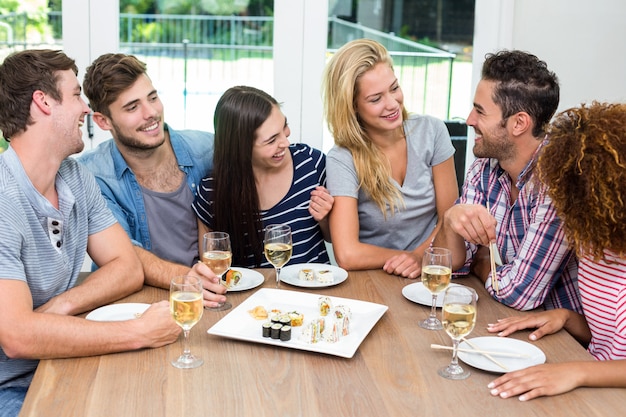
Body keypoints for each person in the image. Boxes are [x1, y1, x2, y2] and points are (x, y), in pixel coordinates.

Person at [0, 49, 181, 417]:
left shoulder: (75, 177)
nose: (86, 108)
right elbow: (18, 336)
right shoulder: (4, 200)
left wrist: (59, 308)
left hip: (62, 359)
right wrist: (138, 332)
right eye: (76, 94)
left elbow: (126, 267)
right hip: (12, 387)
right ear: (43, 102)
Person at [486, 101, 626, 400]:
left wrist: (578, 372)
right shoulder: (593, 244)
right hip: (591, 390)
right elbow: (612, 340)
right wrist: (567, 317)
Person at [432, 50, 581, 312]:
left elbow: (519, 293)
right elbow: (451, 266)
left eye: (480, 112)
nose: (469, 120)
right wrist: (450, 219)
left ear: (519, 123)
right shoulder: (484, 169)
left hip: (566, 339)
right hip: (505, 319)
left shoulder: (560, 181)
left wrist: (483, 263)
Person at [77, 53, 226, 307]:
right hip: (132, 304)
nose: (152, 113)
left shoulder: (208, 149)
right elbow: (121, 253)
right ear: (103, 121)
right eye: (132, 107)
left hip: (211, 295)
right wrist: (184, 279)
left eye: (153, 98)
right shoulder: (91, 175)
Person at [322, 38, 458, 279]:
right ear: (352, 107)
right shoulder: (343, 159)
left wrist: (420, 257)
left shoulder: (433, 131)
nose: (392, 103)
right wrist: (407, 258)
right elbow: (347, 254)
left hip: (430, 272)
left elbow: (450, 219)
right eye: (375, 99)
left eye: (394, 88)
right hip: (374, 278)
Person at [192, 86, 333, 267]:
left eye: (285, 127)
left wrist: (325, 219)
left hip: (312, 290)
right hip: (252, 295)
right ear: (241, 148)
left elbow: (333, 238)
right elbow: (212, 266)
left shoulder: (312, 164)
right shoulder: (212, 191)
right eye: (272, 140)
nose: (286, 142)